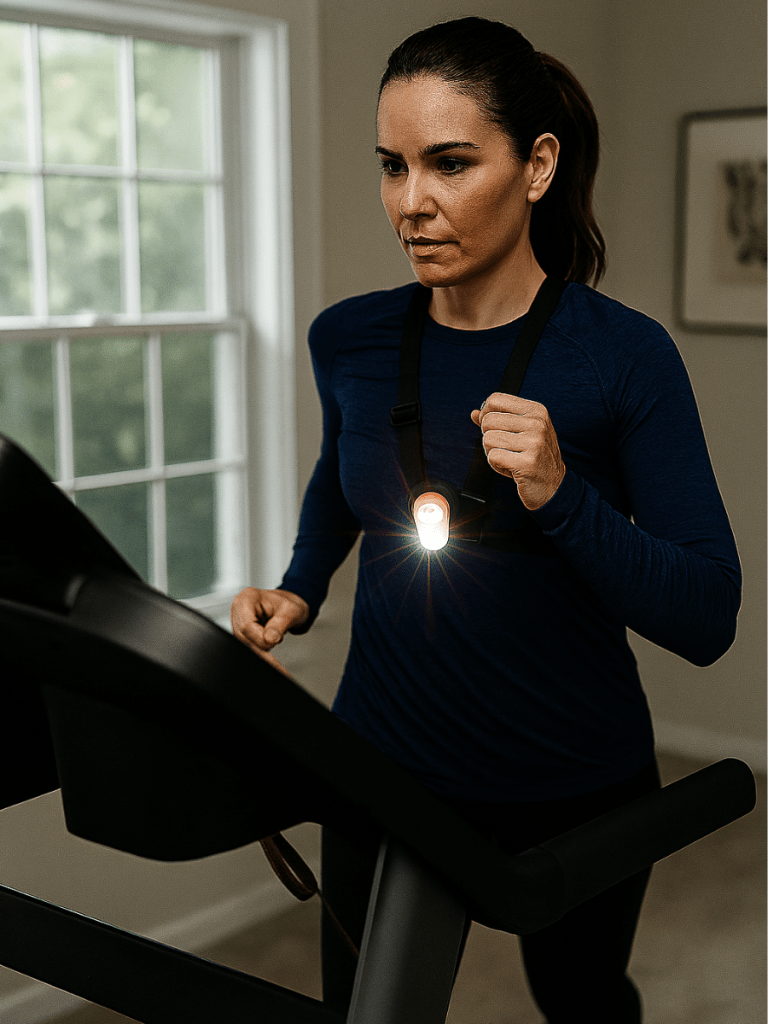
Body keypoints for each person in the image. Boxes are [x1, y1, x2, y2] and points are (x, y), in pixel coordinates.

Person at [231, 17, 741, 1023]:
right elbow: (344, 477)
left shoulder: (624, 357)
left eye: (450, 164)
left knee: (584, 1001)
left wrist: (562, 494)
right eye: (392, 166)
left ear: (538, 165)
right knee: (368, 1012)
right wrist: (299, 584)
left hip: (576, 778)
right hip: (383, 765)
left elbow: (708, 613)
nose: (410, 204)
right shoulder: (350, 339)